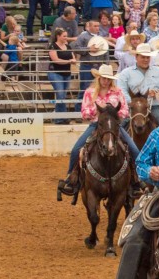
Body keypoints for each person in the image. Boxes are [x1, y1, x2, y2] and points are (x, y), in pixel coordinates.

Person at [57, 63, 141, 199]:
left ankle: (137, 180)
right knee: (76, 150)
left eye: (108, 79)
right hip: (96, 125)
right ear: (99, 78)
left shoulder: (117, 92)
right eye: (103, 78)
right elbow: (84, 113)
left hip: (114, 126)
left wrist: (113, 113)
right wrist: (97, 110)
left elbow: (125, 110)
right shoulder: (90, 92)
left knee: (134, 150)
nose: (106, 81)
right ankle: (71, 179)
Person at [117, 42, 159, 125]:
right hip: (132, 108)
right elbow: (121, 90)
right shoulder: (126, 73)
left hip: (154, 106)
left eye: (148, 57)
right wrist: (134, 103)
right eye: (143, 57)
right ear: (136, 57)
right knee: (119, 127)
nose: (146, 60)